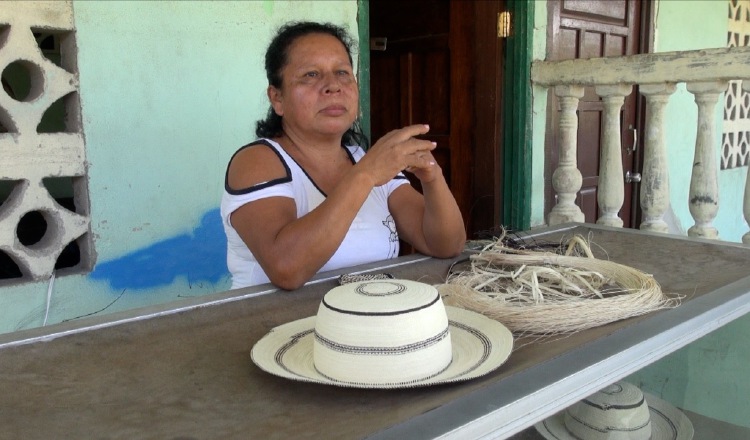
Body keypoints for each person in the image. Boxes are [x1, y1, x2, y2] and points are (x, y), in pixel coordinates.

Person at [220, 21, 466, 290]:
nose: (332, 86)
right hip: (274, 327)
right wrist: (366, 175)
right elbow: (286, 268)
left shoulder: (363, 159)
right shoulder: (257, 162)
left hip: (364, 324)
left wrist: (432, 178)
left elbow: (444, 245)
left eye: (342, 73)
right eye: (311, 75)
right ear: (277, 98)